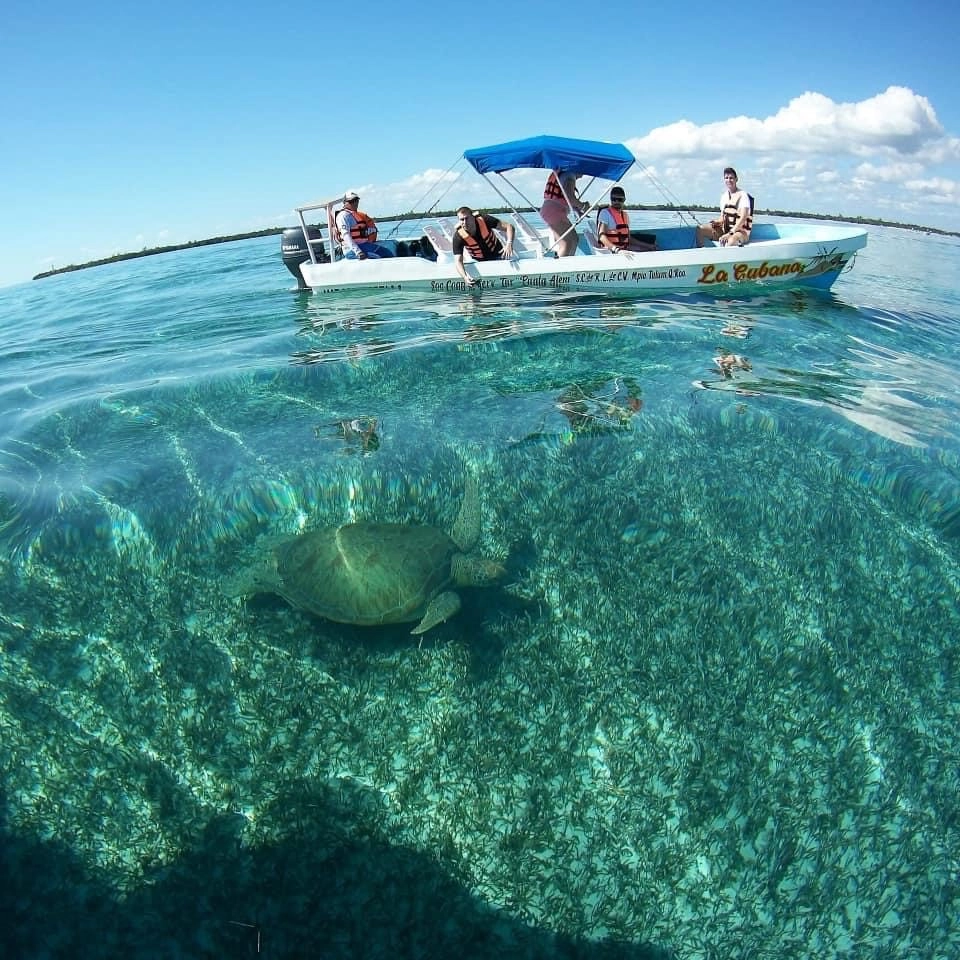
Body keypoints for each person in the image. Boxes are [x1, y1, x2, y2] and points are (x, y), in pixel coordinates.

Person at [452, 207, 515, 287]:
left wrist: (509, 243)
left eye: (467, 218)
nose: (465, 222)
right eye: (461, 219)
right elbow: (458, 261)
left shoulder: (485, 220)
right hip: (479, 262)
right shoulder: (458, 237)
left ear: (473, 217)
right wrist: (464, 277)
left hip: (499, 256)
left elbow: (509, 226)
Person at [695, 168, 753, 247]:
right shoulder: (724, 197)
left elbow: (743, 218)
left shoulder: (743, 195)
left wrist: (730, 233)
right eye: (726, 178)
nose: (729, 180)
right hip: (725, 230)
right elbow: (723, 217)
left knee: (731, 241)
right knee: (701, 229)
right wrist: (717, 222)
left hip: (740, 233)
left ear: (736, 179)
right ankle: (701, 253)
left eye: (731, 178)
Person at [540, 169, 587, 257]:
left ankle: (569, 264)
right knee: (566, 243)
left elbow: (565, 198)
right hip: (553, 212)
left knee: (574, 239)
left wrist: (577, 210)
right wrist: (583, 206)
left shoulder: (567, 174)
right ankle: (560, 269)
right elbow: (570, 197)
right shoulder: (570, 175)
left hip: (552, 211)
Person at [336, 191, 394, 260]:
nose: (355, 203)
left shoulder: (353, 214)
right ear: (345, 203)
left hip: (364, 245)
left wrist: (373, 230)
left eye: (356, 200)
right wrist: (358, 252)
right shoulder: (343, 216)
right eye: (351, 201)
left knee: (387, 252)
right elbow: (346, 235)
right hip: (351, 250)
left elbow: (360, 231)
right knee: (386, 254)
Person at [597, 186, 657, 253]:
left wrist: (648, 246)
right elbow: (601, 236)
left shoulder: (625, 215)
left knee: (651, 248)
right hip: (611, 250)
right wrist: (616, 249)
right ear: (611, 199)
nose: (616, 201)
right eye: (614, 199)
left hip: (624, 248)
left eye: (619, 199)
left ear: (624, 200)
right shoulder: (605, 213)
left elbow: (628, 239)